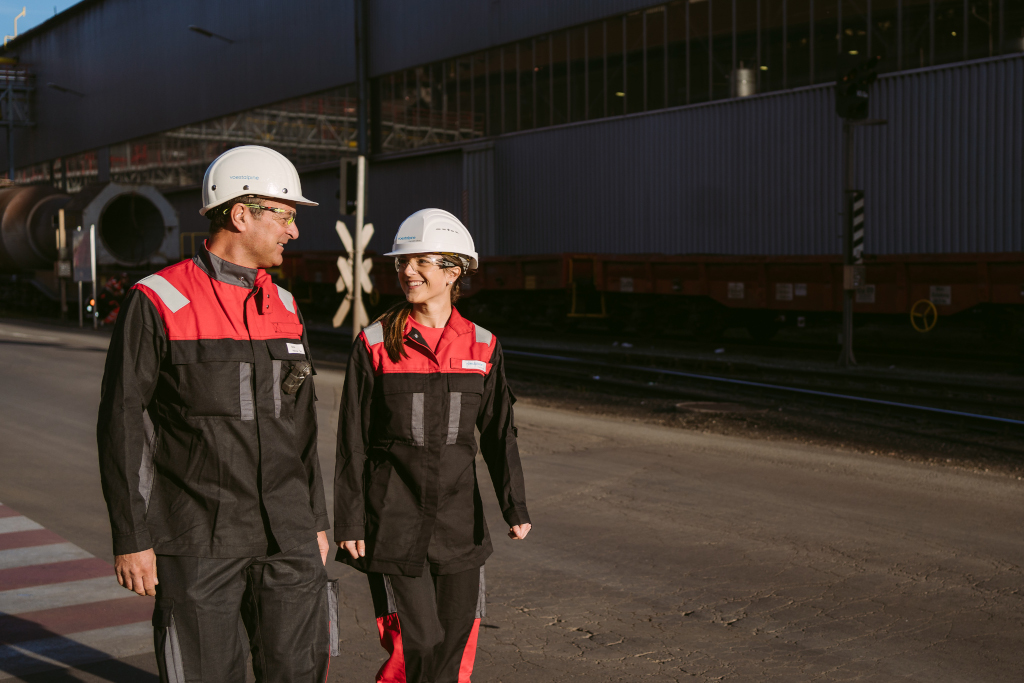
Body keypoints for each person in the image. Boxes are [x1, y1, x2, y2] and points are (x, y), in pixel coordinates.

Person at [96, 145, 333, 682]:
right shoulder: (157, 301)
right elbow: (123, 423)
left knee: (297, 672)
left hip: (289, 538)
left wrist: (316, 521)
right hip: (199, 538)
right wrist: (132, 536)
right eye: (286, 214)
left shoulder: (286, 306)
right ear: (240, 212)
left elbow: (301, 430)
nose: (293, 231)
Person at [334, 208, 532, 683]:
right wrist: (350, 518)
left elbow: (499, 432)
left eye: (420, 261)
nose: (406, 271)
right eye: (402, 262)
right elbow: (352, 439)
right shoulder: (377, 343)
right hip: (394, 519)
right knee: (416, 641)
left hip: (458, 523)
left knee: (455, 635)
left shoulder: (482, 345)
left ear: (453, 269)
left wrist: (515, 506)